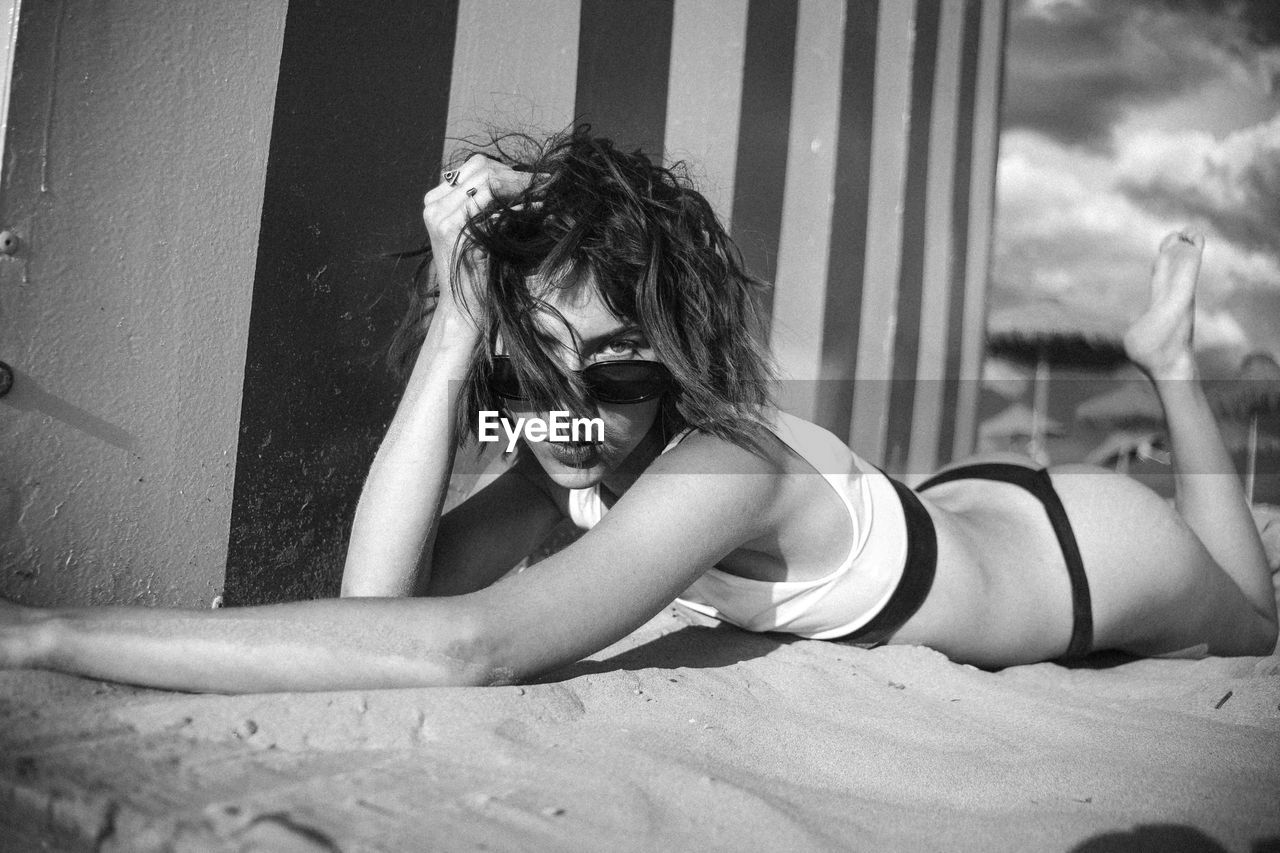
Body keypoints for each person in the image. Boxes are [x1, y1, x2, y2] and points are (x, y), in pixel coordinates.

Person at [1, 128, 1274, 693]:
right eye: (527, 366)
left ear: (673, 361)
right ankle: (1165, 358)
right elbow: (385, 609)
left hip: (1088, 556)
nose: (565, 406)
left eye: (611, 371)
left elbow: (468, 647)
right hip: (941, 506)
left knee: (1253, 628)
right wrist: (453, 338)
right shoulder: (567, 449)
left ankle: (1165, 362)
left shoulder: (715, 461)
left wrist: (48, 638)